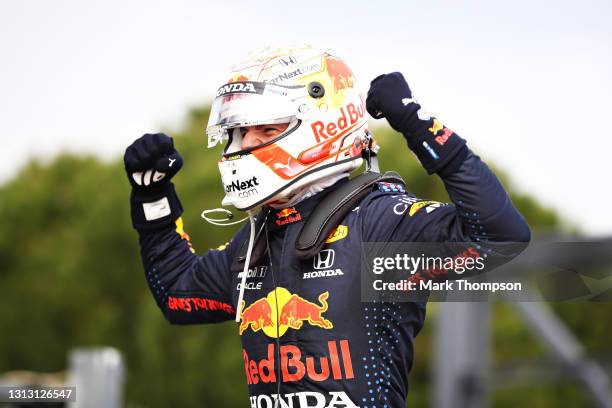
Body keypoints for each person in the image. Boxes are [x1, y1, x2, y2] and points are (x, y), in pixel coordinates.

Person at [124, 45, 530, 408]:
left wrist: (420, 126)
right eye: (239, 131)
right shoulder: (255, 241)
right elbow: (177, 296)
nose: (245, 145)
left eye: (265, 129)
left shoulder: (380, 222)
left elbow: (500, 237)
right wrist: (152, 197)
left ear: (323, 127)